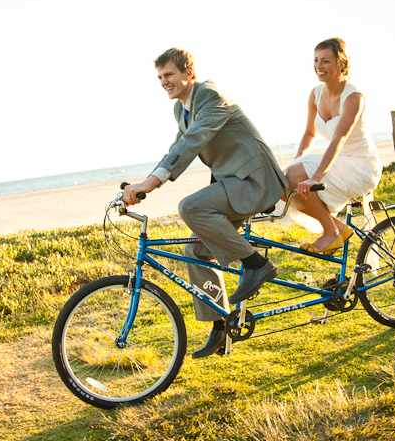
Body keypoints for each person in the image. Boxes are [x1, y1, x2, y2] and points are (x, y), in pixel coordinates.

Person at [123, 48, 288, 358]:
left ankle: (257, 265)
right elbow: (176, 147)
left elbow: (192, 141)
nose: (164, 82)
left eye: (169, 74)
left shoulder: (211, 96)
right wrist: (145, 185)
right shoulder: (181, 109)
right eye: (159, 77)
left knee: (191, 207)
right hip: (233, 184)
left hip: (255, 181)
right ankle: (221, 325)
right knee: (196, 252)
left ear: (189, 73)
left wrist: (150, 183)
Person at [285, 38, 382, 254]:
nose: (319, 66)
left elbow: (339, 139)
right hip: (337, 161)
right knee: (284, 183)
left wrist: (315, 177)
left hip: (360, 165)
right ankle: (337, 228)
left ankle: (330, 233)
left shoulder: (354, 97)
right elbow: (309, 133)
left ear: (341, 64)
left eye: (326, 61)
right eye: (316, 60)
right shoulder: (315, 94)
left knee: (294, 177)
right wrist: (296, 162)